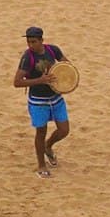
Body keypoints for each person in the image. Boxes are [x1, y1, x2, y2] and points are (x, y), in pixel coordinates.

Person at [13, 26, 71, 179]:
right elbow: (17, 82)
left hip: (56, 98)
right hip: (38, 101)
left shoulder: (53, 50)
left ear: (41, 41)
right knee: (41, 132)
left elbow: (67, 67)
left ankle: (48, 146)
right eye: (28, 41)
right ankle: (41, 165)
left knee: (64, 130)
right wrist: (41, 80)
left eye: (33, 42)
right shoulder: (27, 58)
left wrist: (61, 74)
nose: (30, 45)